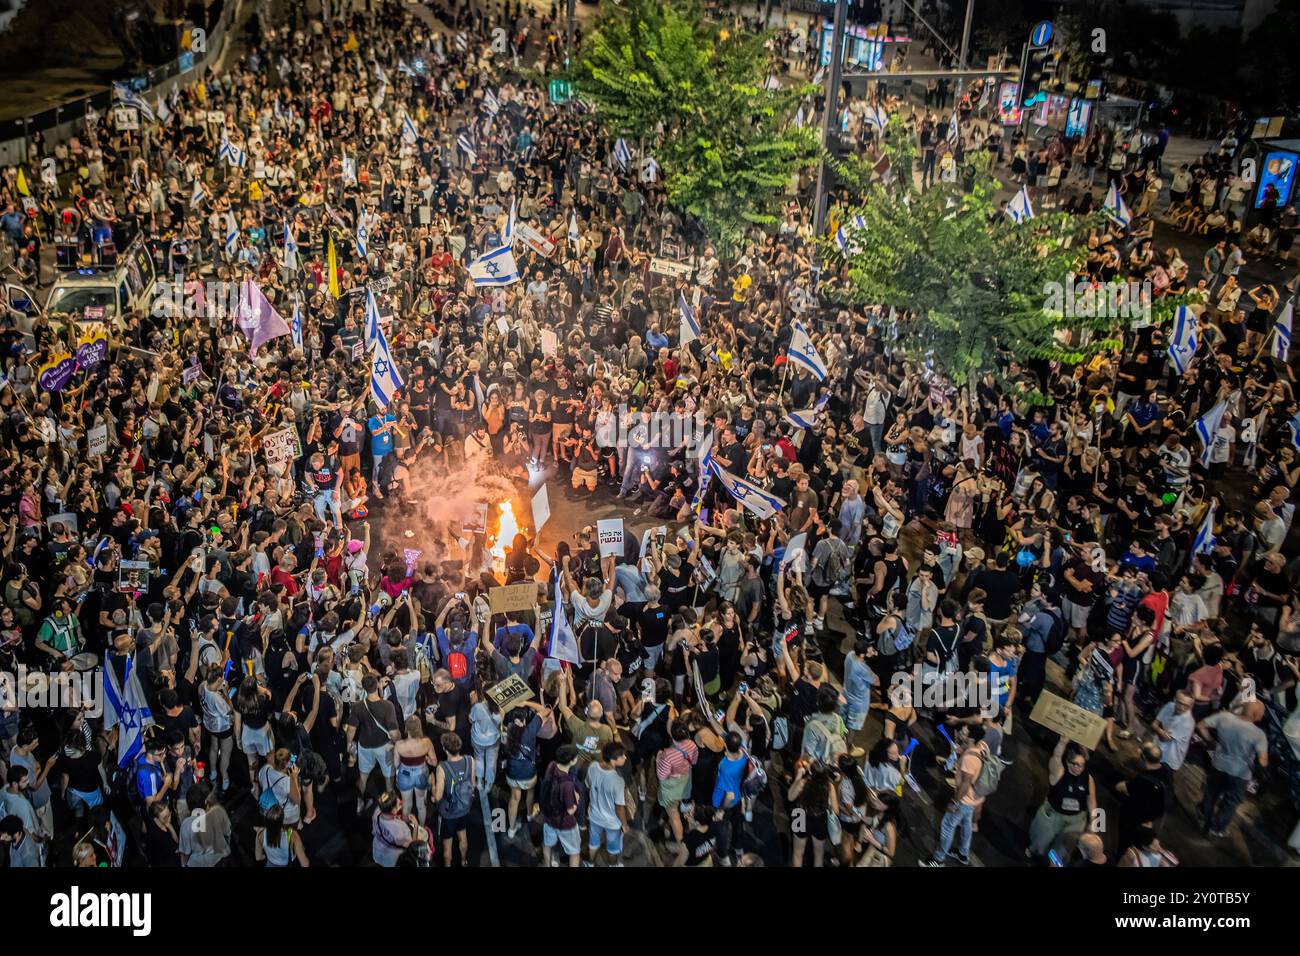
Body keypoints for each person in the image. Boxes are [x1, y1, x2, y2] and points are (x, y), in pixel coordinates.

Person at [1197, 703, 1268, 838]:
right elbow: (1263, 760)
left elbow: (1201, 725)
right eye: (1261, 713)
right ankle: (1217, 828)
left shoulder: (1225, 717)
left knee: (1211, 793)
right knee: (1231, 801)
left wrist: (1211, 741)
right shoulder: (1259, 735)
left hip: (1219, 764)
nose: (1263, 715)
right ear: (1254, 714)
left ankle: (1203, 817)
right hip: (1240, 773)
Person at [1027, 738, 1096, 862]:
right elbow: (1056, 756)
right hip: (1053, 815)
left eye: (1082, 765)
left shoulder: (1088, 778)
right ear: (1068, 762)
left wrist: (1094, 824)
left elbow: (1092, 801)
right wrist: (1062, 742)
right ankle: (1034, 851)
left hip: (1076, 820)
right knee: (1040, 841)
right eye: (1076, 764)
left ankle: (1053, 862)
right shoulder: (1058, 773)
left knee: (1062, 850)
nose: (1080, 768)